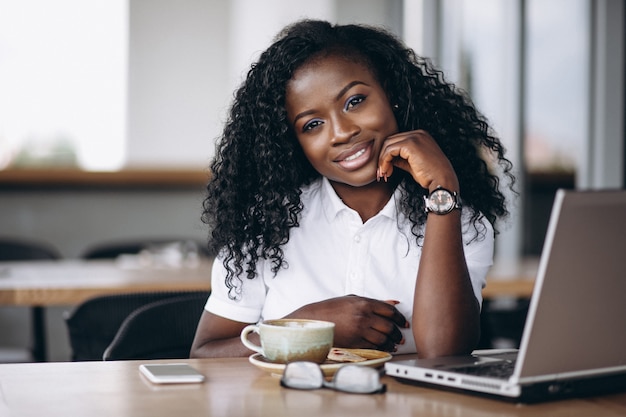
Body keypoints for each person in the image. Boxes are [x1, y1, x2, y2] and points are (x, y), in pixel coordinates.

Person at [190, 19, 515, 359]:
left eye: (355, 101)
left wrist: (442, 190)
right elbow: (206, 353)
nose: (341, 132)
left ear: (392, 94)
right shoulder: (265, 226)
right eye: (312, 124)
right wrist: (307, 327)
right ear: (292, 142)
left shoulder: (456, 217)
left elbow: (444, 352)